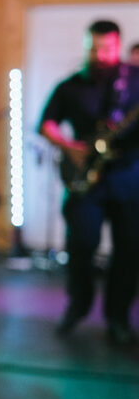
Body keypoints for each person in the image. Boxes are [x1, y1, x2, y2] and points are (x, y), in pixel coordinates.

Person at [40, 20, 139, 348]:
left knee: (128, 251)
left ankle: (118, 318)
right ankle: (77, 306)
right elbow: (47, 124)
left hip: (127, 178)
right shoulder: (70, 85)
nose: (98, 55)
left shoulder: (134, 80)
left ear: (118, 46)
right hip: (85, 181)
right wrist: (72, 149)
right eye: (92, 48)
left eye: (105, 49)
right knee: (81, 245)